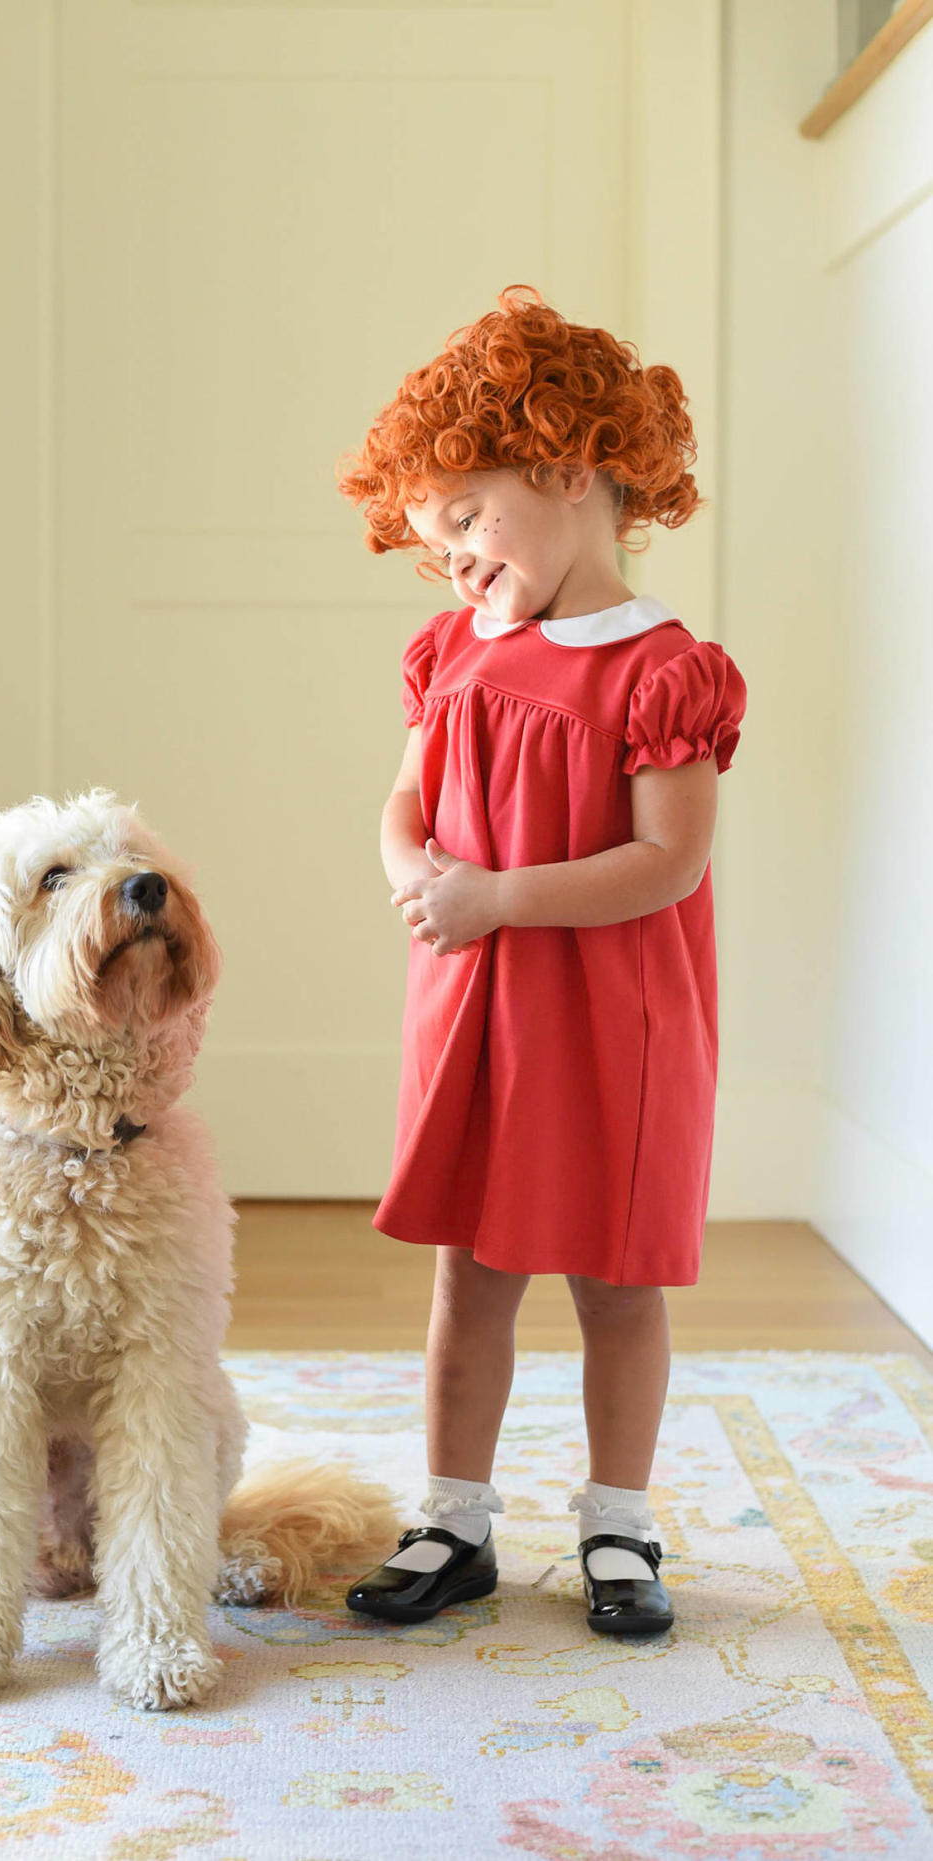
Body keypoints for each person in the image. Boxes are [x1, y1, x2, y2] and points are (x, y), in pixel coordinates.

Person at [333, 285, 747, 1635]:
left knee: (615, 1283)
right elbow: (402, 805)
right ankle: (452, 1517)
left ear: (569, 469)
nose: (447, 559)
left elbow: (664, 862)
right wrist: (419, 879)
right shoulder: (449, 652)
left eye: (463, 518)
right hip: (477, 1009)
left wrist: (497, 894)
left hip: (613, 1019)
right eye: (426, 539)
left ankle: (618, 1526)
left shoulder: (657, 668)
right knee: (471, 1270)